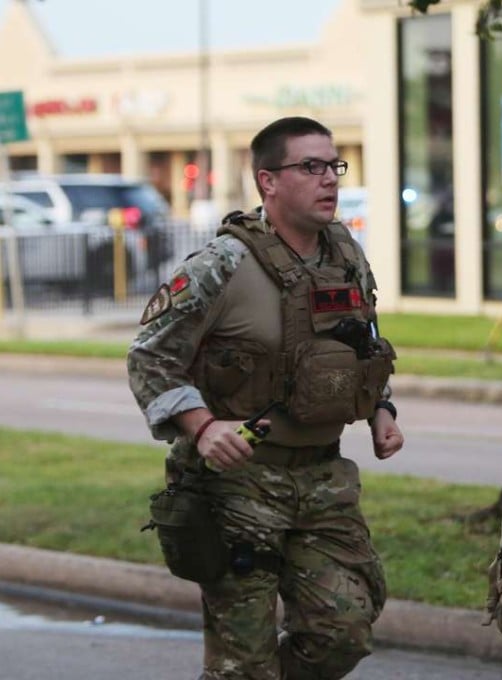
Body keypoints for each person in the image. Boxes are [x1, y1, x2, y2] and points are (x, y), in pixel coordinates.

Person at [127, 116, 404, 679]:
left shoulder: (345, 256)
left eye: (333, 165)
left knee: (342, 632)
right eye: (310, 166)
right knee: (243, 665)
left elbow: (362, 346)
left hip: (323, 482)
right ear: (268, 182)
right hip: (237, 489)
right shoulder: (220, 266)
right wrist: (203, 427)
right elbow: (149, 356)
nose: (328, 179)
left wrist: (381, 410)